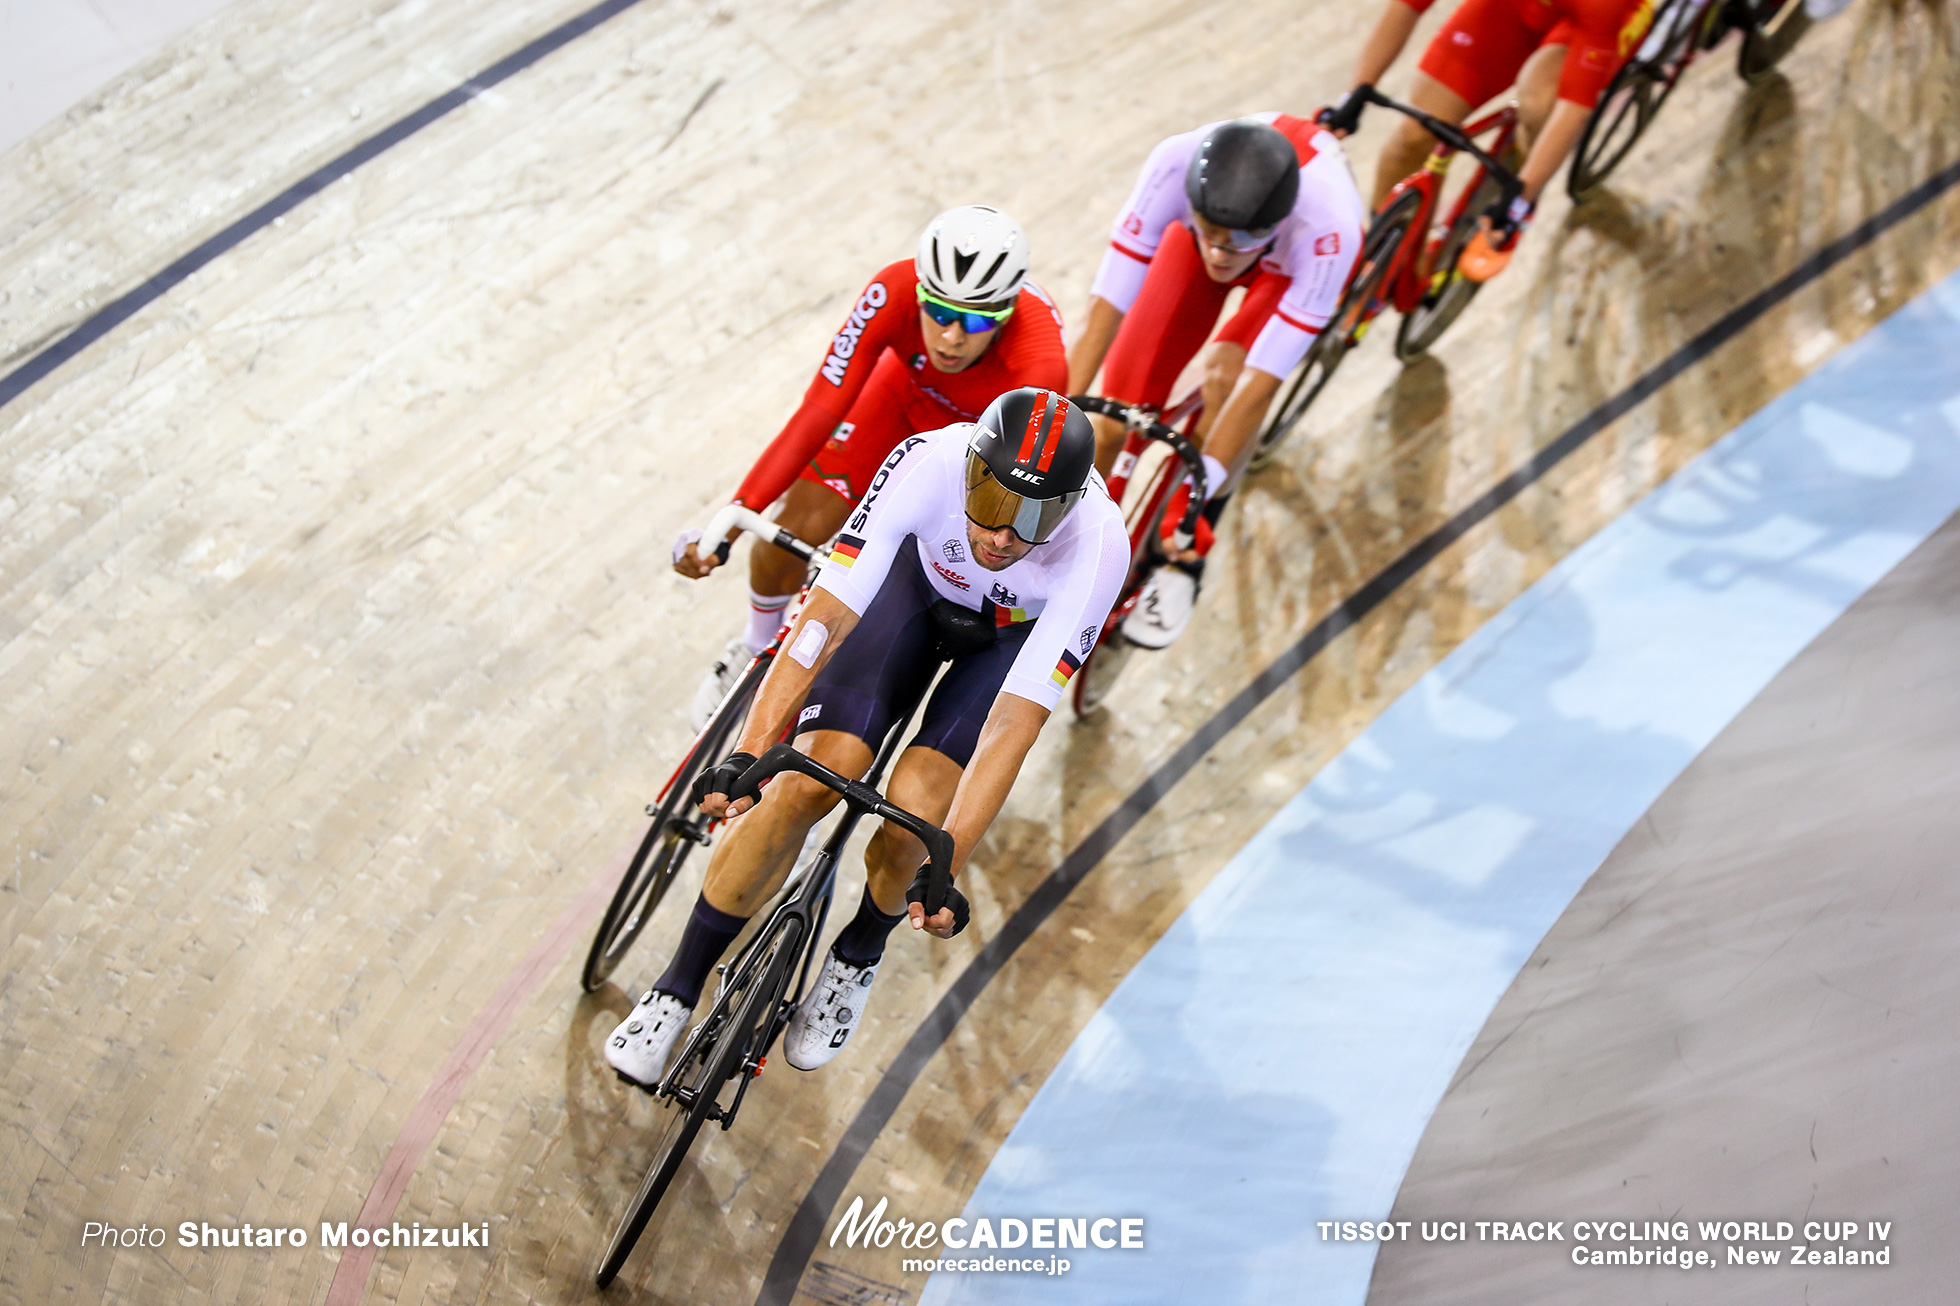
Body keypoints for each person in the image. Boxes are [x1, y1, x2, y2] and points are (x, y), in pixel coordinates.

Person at [607, 388, 1128, 1085]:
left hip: (1004, 645)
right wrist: (753, 746)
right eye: (995, 503)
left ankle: (858, 952)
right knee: (800, 786)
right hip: (912, 595)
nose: (1003, 536)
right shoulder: (929, 461)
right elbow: (824, 619)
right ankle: (675, 988)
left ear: (1067, 508)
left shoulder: (1098, 546)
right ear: (972, 471)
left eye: (1033, 517)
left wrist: (949, 862)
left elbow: (1014, 724)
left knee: (915, 820)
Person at [673, 206, 1068, 727]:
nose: (951, 337)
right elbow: (820, 407)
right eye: (940, 312)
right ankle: (756, 644)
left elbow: (1009, 492)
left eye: (975, 321)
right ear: (920, 291)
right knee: (787, 533)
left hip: (976, 447)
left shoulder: (1040, 363)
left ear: (1005, 312)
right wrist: (740, 508)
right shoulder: (892, 289)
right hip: (897, 402)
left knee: (903, 568)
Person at [1067, 114, 1365, 650]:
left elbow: (1259, 388)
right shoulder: (1173, 165)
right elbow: (1103, 315)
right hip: (1199, 232)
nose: (1221, 254)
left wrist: (1193, 503)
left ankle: (1187, 556)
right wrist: (1045, 410)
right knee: (1112, 415)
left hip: (1288, 268)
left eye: (1239, 240)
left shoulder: (1329, 231)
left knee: (1228, 376)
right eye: (1213, 234)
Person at [1324, 0, 1653, 281]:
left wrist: (1519, 201)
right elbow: (1408, 5)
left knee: (1540, 104)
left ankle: (1522, 168)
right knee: (1415, 134)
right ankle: (1382, 254)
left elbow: (1573, 108)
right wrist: (1354, 95)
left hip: (1601, 15)